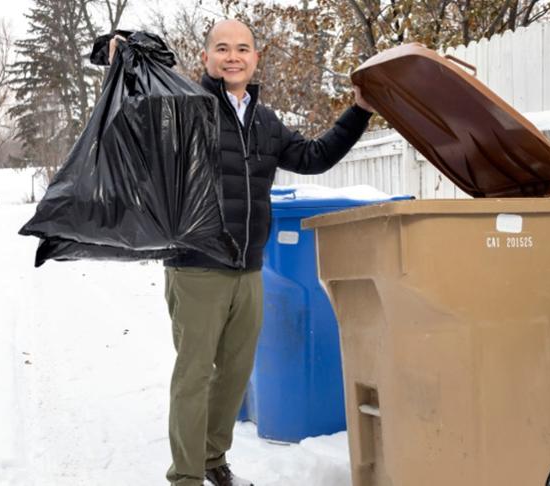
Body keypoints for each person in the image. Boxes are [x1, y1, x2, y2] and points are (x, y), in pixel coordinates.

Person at [110, 19, 374, 486]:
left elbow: (313, 157)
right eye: (222, 48)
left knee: (234, 374)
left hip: (249, 267)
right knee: (194, 375)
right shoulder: (185, 108)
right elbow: (137, 122)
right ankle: (186, 476)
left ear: (255, 59)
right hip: (196, 267)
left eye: (243, 49)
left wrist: (358, 111)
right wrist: (123, 66)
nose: (233, 56)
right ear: (208, 57)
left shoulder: (266, 122)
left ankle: (213, 460)